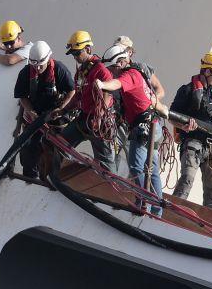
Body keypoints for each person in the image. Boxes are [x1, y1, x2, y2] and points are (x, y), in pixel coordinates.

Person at [94, 44, 169, 216]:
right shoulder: (137, 73)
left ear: (120, 64)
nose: (111, 71)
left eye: (112, 68)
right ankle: (156, 211)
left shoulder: (129, 75)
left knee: (136, 166)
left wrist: (102, 84)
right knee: (153, 168)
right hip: (152, 125)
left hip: (143, 127)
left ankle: (143, 204)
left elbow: (116, 83)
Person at [168, 52, 212, 210]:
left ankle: (209, 227)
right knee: (186, 179)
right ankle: (171, 213)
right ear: (207, 71)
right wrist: (183, 126)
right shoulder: (187, 90)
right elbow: (171, 115)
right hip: (193, 144)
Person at [12, 40, 75, 179]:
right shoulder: (26, 72)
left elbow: (72, 91)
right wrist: (30, 111)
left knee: (58, 148)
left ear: (48, 59)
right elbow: (22, 96)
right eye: (35, 65)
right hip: (36, 115)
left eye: (40, 65)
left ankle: (57, 178)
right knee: (29, 147)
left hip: (56, 116)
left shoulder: (59, 70)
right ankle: (30, 177)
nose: (38, 69)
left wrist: (61, 108)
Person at [60, 30, 116, 172]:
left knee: (106, 164)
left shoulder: (101, 70)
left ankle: (112, 189)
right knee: (61, 143)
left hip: (100, 122)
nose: (75, 57)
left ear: (88, 49)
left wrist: (99, 117)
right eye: (73, 54)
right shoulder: (81, 72)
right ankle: (62, 174)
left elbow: (108, 94)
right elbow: (78, 95)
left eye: (77, 53)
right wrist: (63, 110)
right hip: (84, 118)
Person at [111, 36, 165, 171]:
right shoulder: (114, 69)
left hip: (141, 119)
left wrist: (152, 101)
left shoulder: (141, 68)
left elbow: (160, 90)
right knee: (112, 154)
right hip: (119, 119)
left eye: (121, 49)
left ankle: (135, 187)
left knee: (136, 162)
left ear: (129, 52)